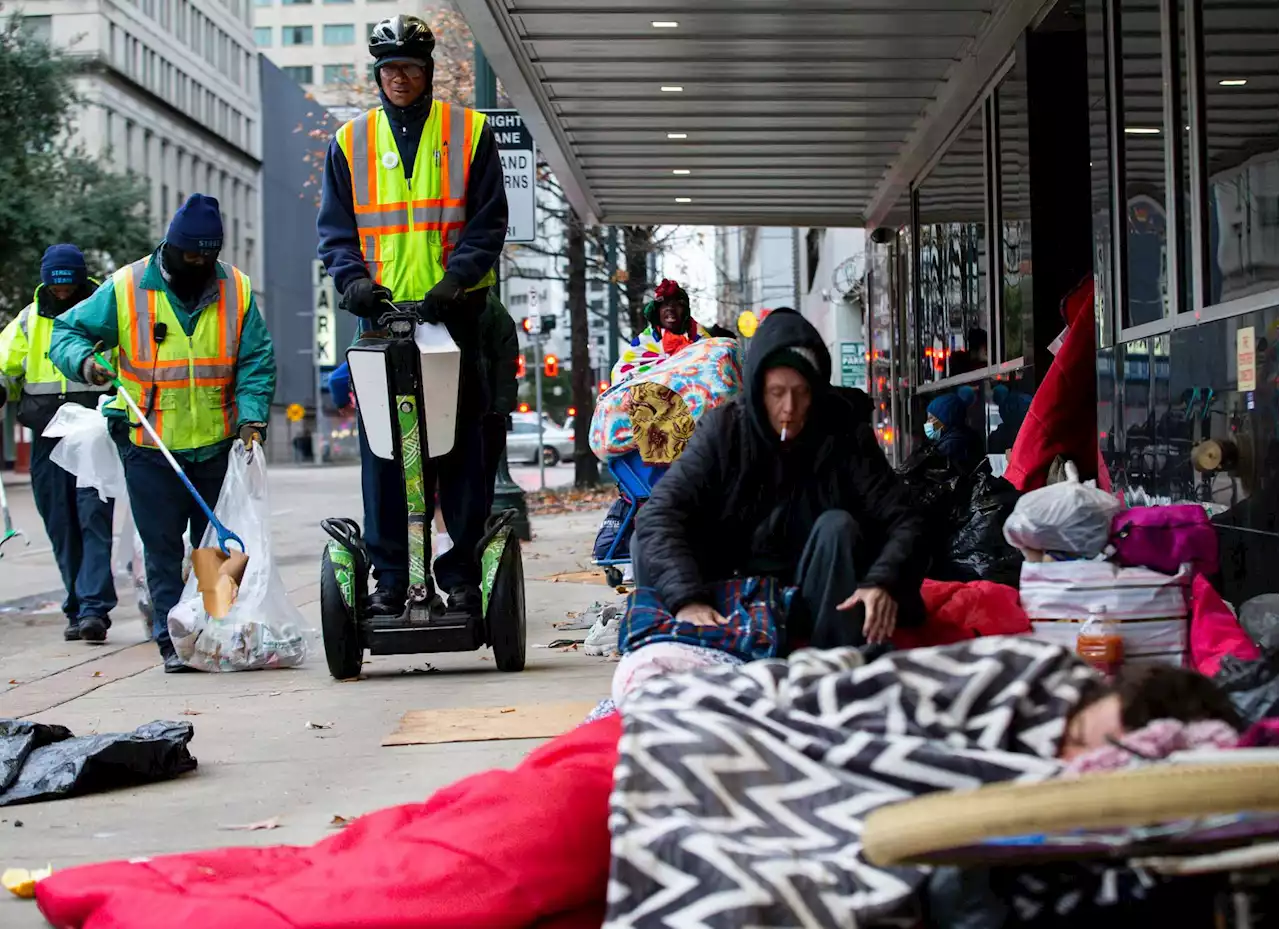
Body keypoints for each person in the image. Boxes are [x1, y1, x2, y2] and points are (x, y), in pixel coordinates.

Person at [318, 14, 507, 619]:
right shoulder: (350, 142)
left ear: (428, 72)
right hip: (381, 320)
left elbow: (487, 222)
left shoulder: (470, 133)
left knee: (459, 454)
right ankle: (392, 580)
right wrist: (352, 282)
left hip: (454, 314)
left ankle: (459, 578)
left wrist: (454, 284)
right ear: (378, 75)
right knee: (383, 455)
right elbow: (336, 231)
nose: (400, 78)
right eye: (389, 69)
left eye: (410, 68)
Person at [50, 194, 277, 672]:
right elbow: (65, 333)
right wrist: (86, 363)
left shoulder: (236, 288)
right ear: (171, 247)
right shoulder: (127, 287)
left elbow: (255, 360)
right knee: (161, 548)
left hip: (218, 441)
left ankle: (215, 632)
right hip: (148, 443)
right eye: (190, 254)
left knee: (215, 547)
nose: (198, 262)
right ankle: (172, 641)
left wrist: (252, 417)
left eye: (207, 254)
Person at [632, 309, 928, 651]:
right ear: (758, 391)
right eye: (777, 393)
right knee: (645, 540)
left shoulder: (843, 433)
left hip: (813, 590)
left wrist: (883, 581)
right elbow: (659, 514)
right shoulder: (724, 430)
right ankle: (668, 649)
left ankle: (833, 662)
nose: (789, 407)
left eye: (801, 392)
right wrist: (687, 599)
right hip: (731, 586)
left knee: (838, 527)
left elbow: (906, 519)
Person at [0, 245, 116, 643]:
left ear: (81, 279)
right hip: (47, 436)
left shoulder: (104, 315)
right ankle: (76, 605)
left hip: (93, 434)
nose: (62, 292)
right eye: (55, 284)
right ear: (45, 280)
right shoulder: (29, 321)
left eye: (69, 284)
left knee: (93, 519)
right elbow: (4, 362)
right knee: (61, 524)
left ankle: (94, 609)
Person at [611, 279, 709, 385]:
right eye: (665, 304)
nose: (670, 308)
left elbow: (714, 364)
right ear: (657, 312)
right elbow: (619, 374)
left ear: (685, 311)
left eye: (676, 304)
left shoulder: (701, 337)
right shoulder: (645, 341)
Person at [479, 290, 519, 507]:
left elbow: (506, 358)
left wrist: (498, 411)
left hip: (482, 415)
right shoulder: (490, 305)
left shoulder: (488, 305)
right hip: (484, 414)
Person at [924, 387, 981, 471]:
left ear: (945, 418)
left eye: (931, 418)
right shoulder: (968, 435)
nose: (927, 423)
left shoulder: (951, 445)